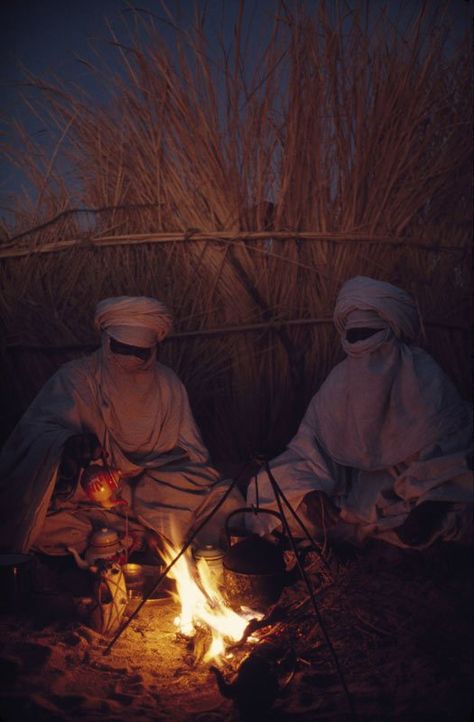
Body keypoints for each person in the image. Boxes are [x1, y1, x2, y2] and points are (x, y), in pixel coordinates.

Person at [0, 296, 243, 557]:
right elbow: (34, 434)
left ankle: (130, 538)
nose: (130, 358)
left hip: (157, 489)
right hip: (89, 492)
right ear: (106, 341)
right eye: (122, 348)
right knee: (35, 521)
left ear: (154, 350)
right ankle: (146, 538)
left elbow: (193, 454)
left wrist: (151, 478)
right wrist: (68, 444)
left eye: (140, 353)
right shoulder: (77, 378)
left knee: (223, 497)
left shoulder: (167, 383)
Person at [247, 276, 473, 549]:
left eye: (370, 335)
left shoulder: (425, 378)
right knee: (264, 492)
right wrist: (308, 492)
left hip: (409, 493)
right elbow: (307, 450)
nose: (362, 346)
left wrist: (431, 506)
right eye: (354, 338)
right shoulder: (339, 383)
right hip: (346, 497)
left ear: (391, 332)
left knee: (460, 512)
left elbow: (454, 456)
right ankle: (370, 536)